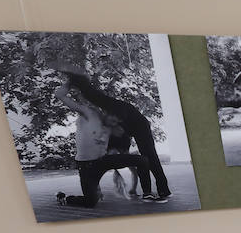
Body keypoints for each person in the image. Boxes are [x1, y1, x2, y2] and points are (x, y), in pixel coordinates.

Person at [61, 70, 170, 201]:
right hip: (116, 134)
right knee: (137, 160)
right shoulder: (103, 123)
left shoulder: (109, 105)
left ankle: (159, 190)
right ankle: (90, 192)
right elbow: (109, 157)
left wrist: (75, 80)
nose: (116, 124)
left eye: (117, 122)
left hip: (140, 125)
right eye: (114, 122)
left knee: (149, 156)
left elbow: (90, 94)